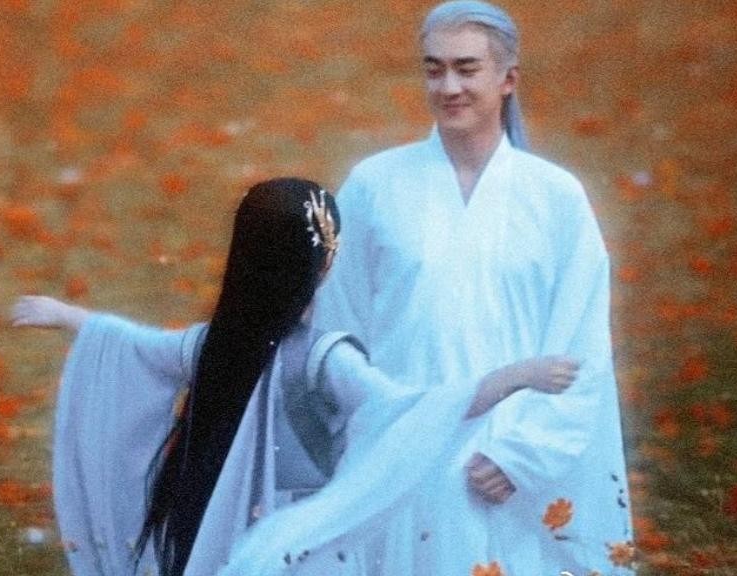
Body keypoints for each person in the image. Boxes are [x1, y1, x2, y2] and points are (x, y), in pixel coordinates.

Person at [219, 2, 634, 575]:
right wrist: (373, 433)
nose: (449, 87)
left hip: (505, 460)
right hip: (399, 448)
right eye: (434, 69)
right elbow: (338, 329)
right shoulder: (376, 186)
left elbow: (580, 342)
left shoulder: (555, 198)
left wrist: (522, 456)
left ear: (508, 79)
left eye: (467, 68)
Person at [11, 177, 580, 576]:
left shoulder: (219, 347)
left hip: (225, 541)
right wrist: (516, 375)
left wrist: (66, 316)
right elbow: (414, 409)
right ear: (323, 265)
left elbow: (139, 348)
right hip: (307, 547)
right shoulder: (322, 358)